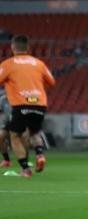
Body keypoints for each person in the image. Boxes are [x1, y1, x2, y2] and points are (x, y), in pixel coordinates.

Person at [0, 34, 56, 178]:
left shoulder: (8, 64)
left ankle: (25, 169)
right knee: (34, 132)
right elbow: (51, 81)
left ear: (13, 47)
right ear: (28, 47)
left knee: (15, 136)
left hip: (21, 104)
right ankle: (40, 154)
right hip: (39, 103)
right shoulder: (39, 63)